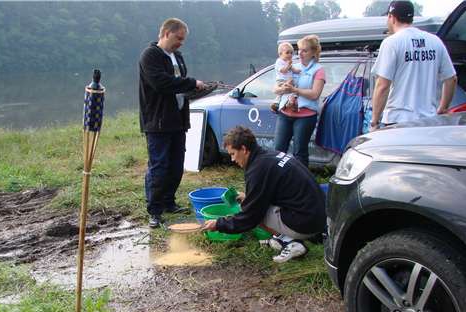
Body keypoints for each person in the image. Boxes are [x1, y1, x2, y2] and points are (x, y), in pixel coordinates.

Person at [202, 126, 326, 264]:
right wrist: (249, 197)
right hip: (319, 216)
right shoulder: (269, 156)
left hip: (307, 223)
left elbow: (250, 217)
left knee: (252, 210)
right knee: (252, 203)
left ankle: (291, 243)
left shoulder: (258, 169)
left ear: (243, 149)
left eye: (233, 154)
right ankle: (292, 237)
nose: (232, 159)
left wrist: (219, 224)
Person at [139, 18, 205, 228]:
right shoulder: (150, 55)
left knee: (176, 165)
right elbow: (161, 83)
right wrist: (191, 82)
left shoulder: (177, 56)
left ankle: (169, 202)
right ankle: (154, 211)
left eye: (183, 40)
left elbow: (180, 86)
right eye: (179, 38)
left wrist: (196, 88)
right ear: (167, 33)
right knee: (159, 166)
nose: (181, 43)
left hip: (177, 119)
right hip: (157, 121)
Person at [370, 1, 457, 131]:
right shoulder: (435, 41)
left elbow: (382, 86)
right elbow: (452, 79)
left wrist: (374, 122)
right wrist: (443, 108)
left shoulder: (391, 43)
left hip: (398, 122)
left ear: (391, 17)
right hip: (429, 122)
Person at [273, 35, 326, 168]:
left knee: (299, 152)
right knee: (278, 150)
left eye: (305, 50)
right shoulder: (291, 65)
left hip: (305, 116)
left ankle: (300, 183)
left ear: (314, 52)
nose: (300, 53)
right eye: (299, 50)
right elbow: (275, 87)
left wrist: (295, 90)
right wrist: (281, 89)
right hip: (285, 113)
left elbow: (314, 94)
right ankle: (278, 180)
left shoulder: (318, 70)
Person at [271, 42, 301, 113]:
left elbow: (293, 69)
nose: (290, 55)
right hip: (281, 80)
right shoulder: (279, 62)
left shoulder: (288, 62)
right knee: (282, 92)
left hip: (288, 81)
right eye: (287, 53)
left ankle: (289, 103)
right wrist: (288, 65)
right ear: (280, 54)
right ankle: (277, 103)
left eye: (291, 53)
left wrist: (298, 71)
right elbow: (283, 71)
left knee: (291, 90)